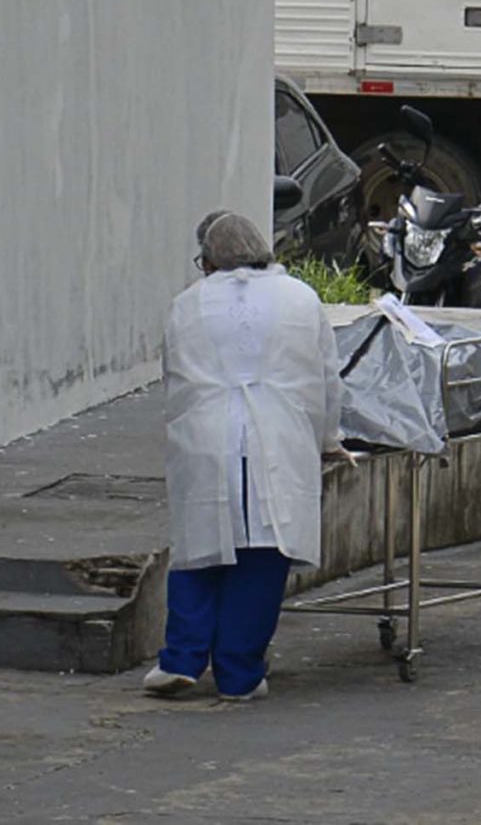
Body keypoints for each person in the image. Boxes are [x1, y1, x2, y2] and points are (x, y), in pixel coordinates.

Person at [143, 211, 343, 702]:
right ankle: (239, 673)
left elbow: (174, 372)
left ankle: (182, 658)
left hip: (206, 434)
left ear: (208, 259)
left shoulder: (187, 304)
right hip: (280, 434)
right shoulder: (301, 297)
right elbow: (326, 376)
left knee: (200, 546)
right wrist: (329, 438)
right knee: (262, 553)